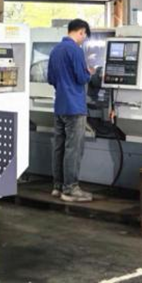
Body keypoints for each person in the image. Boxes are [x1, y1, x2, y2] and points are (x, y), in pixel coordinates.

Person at [48, 19, 94, 203]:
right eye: (84, 36)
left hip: (59, 105)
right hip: (75, 106)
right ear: (81, 31)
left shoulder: (55, 50)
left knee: (59, 146)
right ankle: (71, 189)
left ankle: (58, 186)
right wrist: (90, 72)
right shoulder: (75, 50)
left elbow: (51, 79)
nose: (83, 40)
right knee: (73, 148)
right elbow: (82, 78)